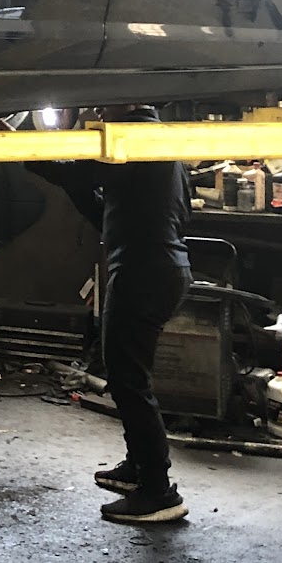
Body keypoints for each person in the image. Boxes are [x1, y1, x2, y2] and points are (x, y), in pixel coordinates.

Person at [33, 116, 191, 525]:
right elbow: (98, 206)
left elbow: (74, 172)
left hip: (144, 271)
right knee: (127, 376)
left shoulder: (135, 138)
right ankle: (139, 468)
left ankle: (158, 491)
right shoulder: (156, 148)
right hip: (155, 268)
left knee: (128, 380)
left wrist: (26, 151)